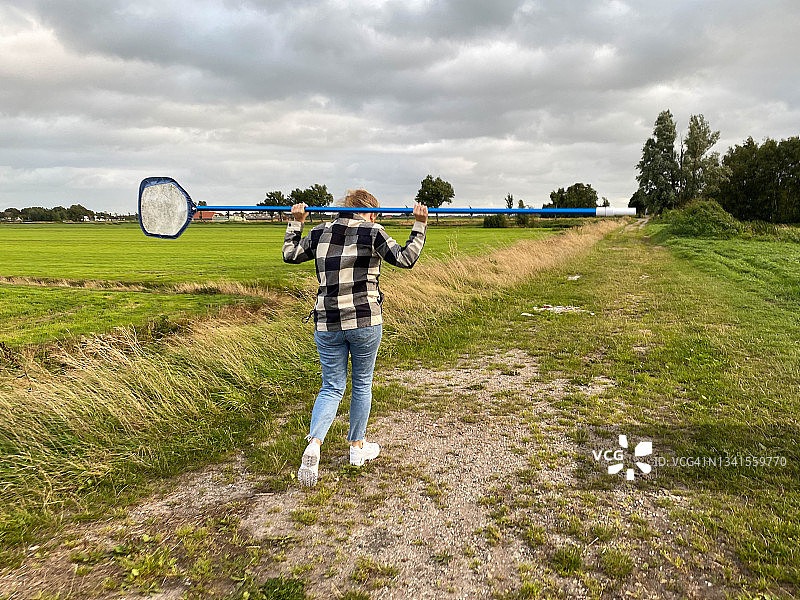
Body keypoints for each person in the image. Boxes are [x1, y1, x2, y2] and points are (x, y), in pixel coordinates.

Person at [283, 189, 429, 487]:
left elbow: (290, 255)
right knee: (362, 382)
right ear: (372, 212)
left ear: (344, 208)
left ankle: (314, 445)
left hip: (328, 322)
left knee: (332, 386)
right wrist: (420, 223)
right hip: (365, 320)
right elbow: (406, 259)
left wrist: (296, 221)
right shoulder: (374, 231)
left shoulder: (320, 230)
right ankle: (356, 449)